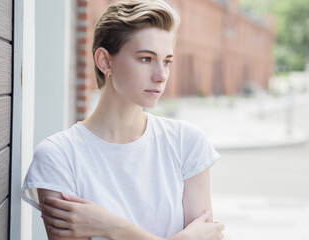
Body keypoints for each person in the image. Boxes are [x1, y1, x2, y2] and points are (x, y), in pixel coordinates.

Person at [21, 0, 224, 239]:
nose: (161, 76)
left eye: (167, 61)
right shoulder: (58, 157)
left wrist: (112, 226)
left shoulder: (186, 143)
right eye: (146, 59)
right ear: (105, 61)